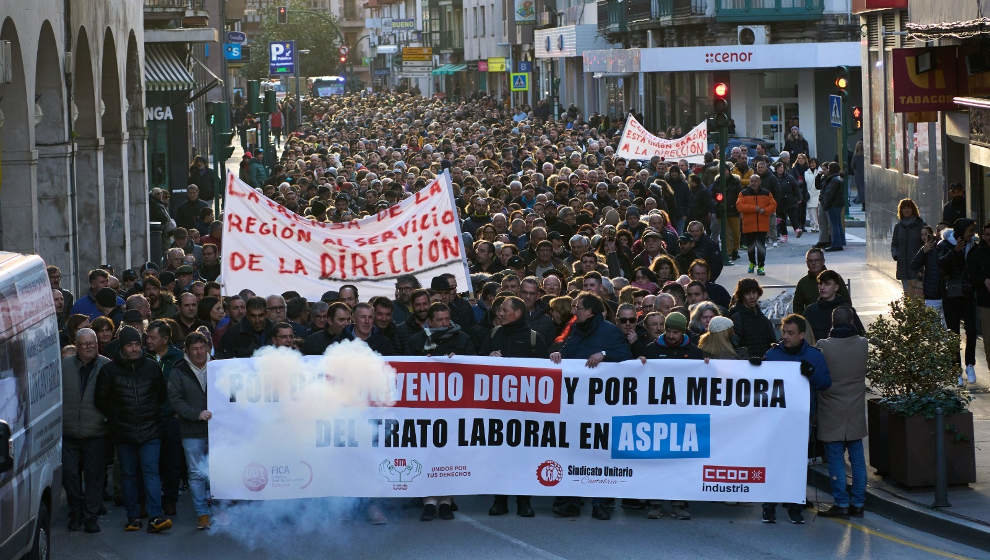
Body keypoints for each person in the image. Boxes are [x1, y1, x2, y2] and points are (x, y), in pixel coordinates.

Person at [549, 292, 631, 521]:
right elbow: (563, 349)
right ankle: (571, 501)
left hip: (601, 407)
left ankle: (601, 503)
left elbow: (625, 356)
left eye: (580, 307)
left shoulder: (609, 330)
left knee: (600, 455)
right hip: (575, 406)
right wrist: (556, 353)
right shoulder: (574, 329)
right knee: (573, 453)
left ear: (591, 312)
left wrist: (604, 354)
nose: (575, 310)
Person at [95, 326, 173, 533]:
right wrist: (116, 417)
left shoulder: (151, 367)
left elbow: (162, 396)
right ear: (122, 347)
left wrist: (154, 417)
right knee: (129, 475)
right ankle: (133, 517)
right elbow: (101, 400)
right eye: (130, 345)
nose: (134, 348)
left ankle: (155, 516)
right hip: (124, 431)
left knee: (151, 473)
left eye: (137, 344)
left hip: (150, 429)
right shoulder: (109, 371)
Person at [763, 314, 831, 524]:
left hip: (801, 421)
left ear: (802, 335)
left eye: (791, 333)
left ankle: (794, 507)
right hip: (776, 420)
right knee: (773, 462)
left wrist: (811, 373)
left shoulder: (814, 356)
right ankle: (769, 507)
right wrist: (755, 367)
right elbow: (760, 383)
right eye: (784, 332)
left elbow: (825, 383)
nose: (786, 337)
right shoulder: (773, 354)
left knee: (796, 465)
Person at [480, 296, 543, 518]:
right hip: (498, 410)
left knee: (524, 458)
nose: (500, 313)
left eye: (504, 309)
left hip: (526, 412)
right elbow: (478, 364)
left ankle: (524, 500)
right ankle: (500, 500)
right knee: (499, 457)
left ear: (516, 312)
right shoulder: (494, 334)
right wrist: (489, 357)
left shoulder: (534, 339)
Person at [816, 306, 868, 518]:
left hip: (831, 409)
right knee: (857, 458)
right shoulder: (863, 344)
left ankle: (842, 503)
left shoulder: (823, 346)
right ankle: (858, 502)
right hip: (854, 408)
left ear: (833, 323)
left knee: (836, 458)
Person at [62, 328, 110, 534]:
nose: (89, 346)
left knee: (94, 477)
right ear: (76, 345)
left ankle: (91, 517)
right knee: (70, 476)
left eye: (92, 342)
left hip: (97, 432)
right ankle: (76, 512)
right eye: (84, 343)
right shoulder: (64, 366)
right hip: (68, 432)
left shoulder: (107, 366)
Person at [167, 331, 213, 529]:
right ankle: (202, 513)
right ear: (187, 350)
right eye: (194, 349)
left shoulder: (218, 367)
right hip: (191, 430)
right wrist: (196, 414)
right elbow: (175, 400)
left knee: (218, 471)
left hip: (218, 431)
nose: (199, 352)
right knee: (195, 473)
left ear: (208, 348)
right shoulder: (178, 370)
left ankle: (218, 509)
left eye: (202, 348)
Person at [938, 218, 979, 384]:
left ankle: (970, 364)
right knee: (953, 332)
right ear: (961, 232)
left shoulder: (973, 245)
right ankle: (955, 368)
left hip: (968, 294)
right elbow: (940, 265)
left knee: (972, 331)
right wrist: (955, 252)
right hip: (951, 295)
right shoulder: (944, 245)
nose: (973, 234)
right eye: (970, 231)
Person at [802, 270, 864, 342]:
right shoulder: (810, 311)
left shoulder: (847, 310)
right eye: (820, 283)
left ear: (836, 287)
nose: (822, 287)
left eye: (827, 284)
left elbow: (860, 335)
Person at [735, 173, 776, 276]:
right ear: (749, 182)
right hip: (749, 225)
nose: (754, 183)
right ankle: (752, 263)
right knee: (751, 247)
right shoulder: (743, 193)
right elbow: (739, 206)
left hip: (762, 225)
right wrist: (755, 209)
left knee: (761, 247)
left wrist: (764, 210)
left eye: (756, 181)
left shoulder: (766, 193)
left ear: (760, 182)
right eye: (752, 181)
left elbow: (773, 205)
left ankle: (761, 266)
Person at [727, 278, 776, 358]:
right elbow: (734, 346)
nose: (752, 296)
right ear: (741, 296)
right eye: (747, 293)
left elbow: (772, 342)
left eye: (754, 292)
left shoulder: (762, 318)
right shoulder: (736, 317)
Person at [891, 198, 925, 294]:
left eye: (908, 207)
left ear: (913, 209)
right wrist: (896, 255)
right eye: (904, 208)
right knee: (907, 296)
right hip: (903, 266)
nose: (906, 210)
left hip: (917, 267)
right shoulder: (898, 227)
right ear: (900, 210)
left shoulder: (920, 225)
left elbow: (926, 242)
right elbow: (894, 244)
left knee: (918, 296)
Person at [821, 162, 846, 252]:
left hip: (833, 204)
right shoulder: (838, 178)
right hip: (838, 204)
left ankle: (836, 244)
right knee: (837, 223)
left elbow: (829, 193)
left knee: (834, 224)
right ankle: (841, 241)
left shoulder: (833, 179)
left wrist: (825, 204)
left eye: (828, 168)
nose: (827, 169)